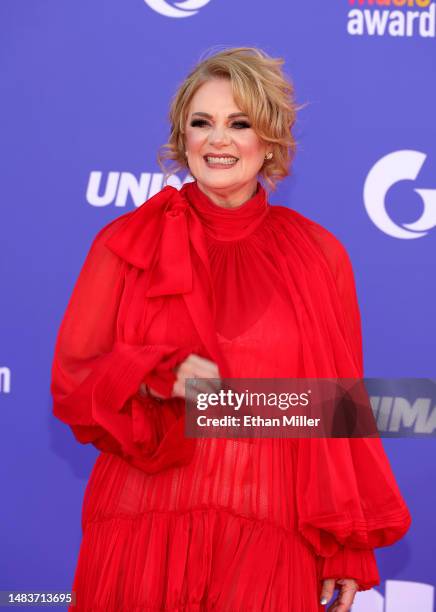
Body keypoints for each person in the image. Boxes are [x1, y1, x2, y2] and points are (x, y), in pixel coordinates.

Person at [51, 47, 411, 611]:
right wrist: (153, 374)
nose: (218, 140)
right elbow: (75, 383)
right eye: (203, 123)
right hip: (144, 526)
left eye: (239, 123)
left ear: (269, 140)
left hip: (268, 536)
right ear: (183, 137)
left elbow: (335, 410)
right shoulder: (126, 242)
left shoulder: (318, 255)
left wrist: (345, 548)